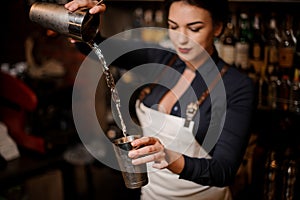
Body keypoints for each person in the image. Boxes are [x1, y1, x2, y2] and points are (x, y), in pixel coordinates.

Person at [65, 0, 255, 199]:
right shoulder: (162, 60)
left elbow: (223, 171)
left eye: (195, 28)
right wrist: (84, 22)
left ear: (217, 28)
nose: (181, 39)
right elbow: (99, 49)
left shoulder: (236, 86)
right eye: (173, 27)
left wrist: (168, 157)